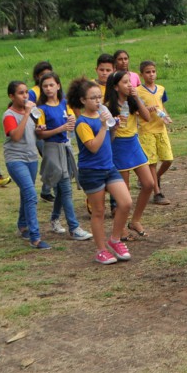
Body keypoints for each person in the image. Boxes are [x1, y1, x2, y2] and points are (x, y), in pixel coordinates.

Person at [68, 77, 135, 265]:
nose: (98, 101)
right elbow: (93, 147)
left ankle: (115, 240)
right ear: (83, 100)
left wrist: (113, 129)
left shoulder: (101, 116)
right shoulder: (82, 123)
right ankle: (101, 250)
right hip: (91, 171)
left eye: (99, 97)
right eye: (93, 98)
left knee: (126, 202)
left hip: (109, 167)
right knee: (98, 211)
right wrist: (104, 126)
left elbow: (107, 141)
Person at [37, 72, 92, 241]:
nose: (48, 89)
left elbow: (71, 120)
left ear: (58, 86)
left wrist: (71, 122)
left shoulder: (64, 103)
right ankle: (74, 228)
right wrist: (60, 129)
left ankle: (55, 219)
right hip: (52, 149)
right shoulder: (42, 109)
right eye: (45, 86)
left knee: (62, 189)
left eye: (51, 85)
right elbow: (41, 134)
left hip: (65, 147)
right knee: (65, 188)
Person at [105, 70, 157, 238]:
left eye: (130, 82)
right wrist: (114, 125)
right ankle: (121, 227)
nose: (129, 85)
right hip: (118, 147)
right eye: (125, 82)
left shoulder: (132, 101)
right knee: (124, 192)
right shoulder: (109, 106)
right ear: (116, 87)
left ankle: (135, 220)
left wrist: (136, 98)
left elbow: (147, 117)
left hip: (133, 144)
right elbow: (106, 134)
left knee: (149, 184)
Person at [3, 81, 50, 249]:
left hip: (31, 158)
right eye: (20, 93)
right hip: (16, 159)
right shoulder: (9, 115)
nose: (25, 96)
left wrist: (38, 130)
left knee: (26, 192)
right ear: (11, 96)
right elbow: (15, 136)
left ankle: (23, 225)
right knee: (30, 194)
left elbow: (32, 134)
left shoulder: (30, 113)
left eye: (26, 92)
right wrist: (27, 113)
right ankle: (35, 237)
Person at [137, 60, 174, 205]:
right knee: (152, 162)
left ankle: (155, 178)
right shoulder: (138, 92)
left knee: (168, 159)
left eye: (153, 71)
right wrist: (147, 110)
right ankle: (157, 193)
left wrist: (166, 116)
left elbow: (162, 106)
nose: (151, 75)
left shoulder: (161, 89)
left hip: (160, 128)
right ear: (141, 75)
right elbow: (136, 112)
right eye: (148, 72)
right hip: (146, 130)